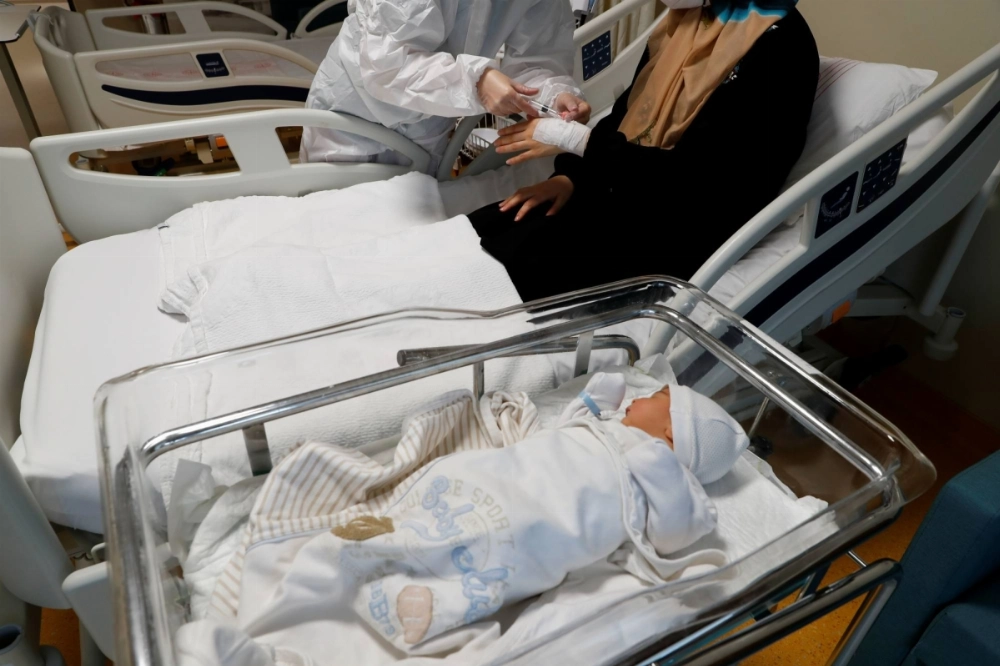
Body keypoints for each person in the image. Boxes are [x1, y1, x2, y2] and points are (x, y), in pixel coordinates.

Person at [468, 0, 820, 302]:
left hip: (677, 230)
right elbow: (624, 121)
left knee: (515, 270)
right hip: (625, 192)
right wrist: (569, 178)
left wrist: (577, 140)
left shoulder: (781, 47)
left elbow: (705, 185)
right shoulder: (687, 23)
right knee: (487, 227)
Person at [301, 0, 591, 175]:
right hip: (353, 117)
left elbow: (537, 58)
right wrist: (475, 80)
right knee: (335, 222)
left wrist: (556, 94)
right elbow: (385, 63)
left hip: (430, 122)